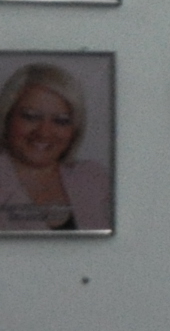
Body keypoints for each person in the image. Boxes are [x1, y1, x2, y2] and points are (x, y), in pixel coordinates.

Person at [0, 60, 111, 231]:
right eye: (31, 117)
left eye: (60, 121)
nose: (44, 133)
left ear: (75, 129)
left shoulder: (94, 179)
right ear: (6, 117)